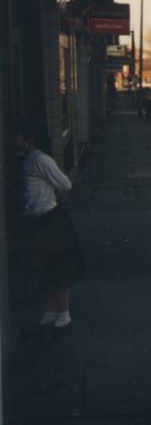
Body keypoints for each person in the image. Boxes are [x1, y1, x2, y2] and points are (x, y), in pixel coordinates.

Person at [15, 118, 85, 330]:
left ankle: (63, 314)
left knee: (57, 266)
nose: (11, 139)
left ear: (28, 140)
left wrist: (50, 195)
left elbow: (65, 183)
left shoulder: (40, 160)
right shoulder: (28, 158)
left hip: (50, 220)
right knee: (44, 267)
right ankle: (51, 311)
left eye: (16, 136)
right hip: (38, 221)